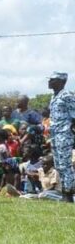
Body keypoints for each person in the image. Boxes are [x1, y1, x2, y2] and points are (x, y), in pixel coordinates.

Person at [47, 72, 74, 202]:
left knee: (65, 164)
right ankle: (64, 191)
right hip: (54, 133)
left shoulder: (67, 95)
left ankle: (68, 193)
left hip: (64, 133)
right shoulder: (53, 96)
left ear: (61, 81)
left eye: (52, 80)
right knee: (58, 165)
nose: (49, 82)